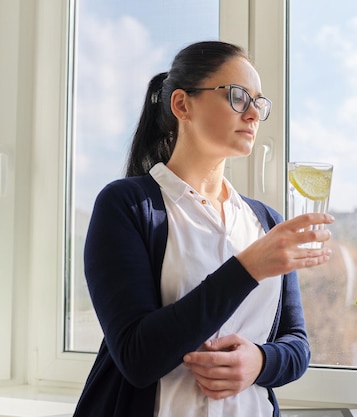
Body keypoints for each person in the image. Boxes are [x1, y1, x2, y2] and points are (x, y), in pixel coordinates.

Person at [73, 40, 334, 417]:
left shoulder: (267, 222)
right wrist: (247, 269)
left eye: (258, 103)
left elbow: (296, 345)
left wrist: (260, 361)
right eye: (238, 97)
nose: (253, 115)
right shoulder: (128, 206)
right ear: (182, 104)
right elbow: (137, 357)